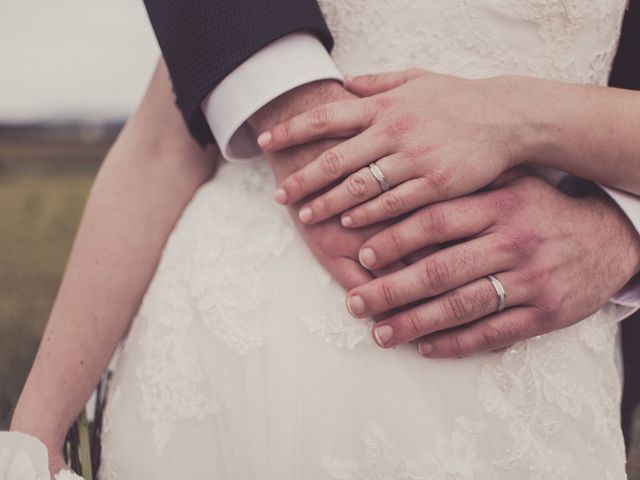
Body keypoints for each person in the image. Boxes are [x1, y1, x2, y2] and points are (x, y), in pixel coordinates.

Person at [6, 1, 640, 478]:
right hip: (215, 372)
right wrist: (30, 442)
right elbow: (159, 146)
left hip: (520, 394)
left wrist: (619, 233)